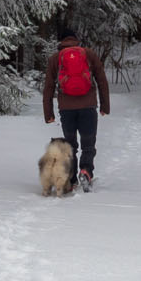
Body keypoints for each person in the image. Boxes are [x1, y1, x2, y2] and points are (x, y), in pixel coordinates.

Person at [42, 32, 109, 190]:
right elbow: (101, 80)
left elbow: (49, 87)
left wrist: (48, 113)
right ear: (76, 41)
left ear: (62, 41)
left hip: (66, 109)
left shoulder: (56, 58)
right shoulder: (89, 54)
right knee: (88, 144)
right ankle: (86, 172)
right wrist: (105, 106)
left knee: (70, 145)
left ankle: (70, 180)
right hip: (88, 107)